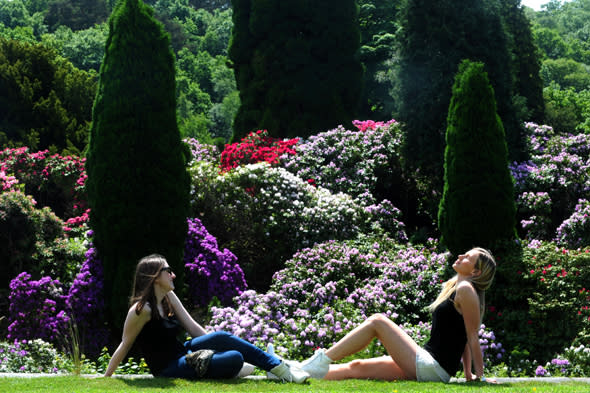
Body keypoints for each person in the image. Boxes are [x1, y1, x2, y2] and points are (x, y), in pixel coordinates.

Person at [299, 247, 497, 383]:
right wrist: (468, 375)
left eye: (467, 258)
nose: (461, 256)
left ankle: (321, 360)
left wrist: (480, 376)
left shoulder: (466, 289)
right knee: (356, 366)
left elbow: (471, 337)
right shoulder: (457, 288)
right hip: (429, 364)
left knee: (378, 321)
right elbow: (462, 336)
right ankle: (298, 372)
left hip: (433, 367)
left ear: (476, 272)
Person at [104, 254, 309, 382]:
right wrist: (106, 377)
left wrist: (213, 345)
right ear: (155, 276)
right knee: (236, 358)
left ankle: (277, 367)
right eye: (168, 271)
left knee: (222, 337)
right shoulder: (142, 309)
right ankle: (270, 367)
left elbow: (192, 328)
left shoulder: (168, 298)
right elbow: (125, 343)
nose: (173, 275)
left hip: (183, 353)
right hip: (169, 367)